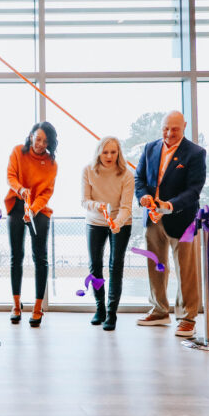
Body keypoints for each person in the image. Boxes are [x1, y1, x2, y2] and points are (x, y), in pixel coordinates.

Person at [134, 110, 206, 337]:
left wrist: (169, 205)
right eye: (165, 128)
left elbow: (194, 190)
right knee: (156, 265)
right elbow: (139, 179)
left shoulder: (195, 153)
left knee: (186, 270)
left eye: (174, 128)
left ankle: (187, 318)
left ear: (184, 126)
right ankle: (159, 310)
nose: (169, 133)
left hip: (182, 219)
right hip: (152, 218)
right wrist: (143, 196)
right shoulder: (150, 148)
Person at [5, 121, 58, 327]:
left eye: (45, 141)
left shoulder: (51, 163)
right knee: (16, 256)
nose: (40, 144)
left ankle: (38, 307)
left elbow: (46, 192)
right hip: (17, 205)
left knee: (40, 257)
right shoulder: (18, 152)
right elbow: (10, 176)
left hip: (38, 210)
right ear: (30, 136)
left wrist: (34, 209)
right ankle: (16, 305)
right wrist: (20, 190)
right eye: (38, 139)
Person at [81, 136, 133, 331]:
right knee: (95, 266)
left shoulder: (126, 174)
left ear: (118, 153)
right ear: (99, 153)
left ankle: (112, 313)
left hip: (121, 222)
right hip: (95, 221)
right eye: (105, 152)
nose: (109, 156)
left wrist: (117, 223)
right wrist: (97, 206)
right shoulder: (88, 171)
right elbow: (84, 201)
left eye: (113, 152)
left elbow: (126, 206)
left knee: (115, 265)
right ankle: (100, 308)